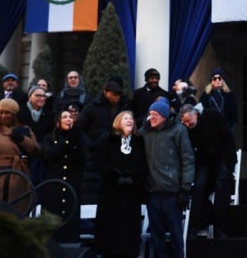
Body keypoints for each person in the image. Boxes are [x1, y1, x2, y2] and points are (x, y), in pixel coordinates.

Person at [139, 97, 194, 258]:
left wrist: (185, 187)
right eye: (150, 114)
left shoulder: (178, 130)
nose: (152, 117)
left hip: (173, 192)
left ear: (164, 116)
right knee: (157, 236)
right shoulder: (145, 132)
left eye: (156, 114)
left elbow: (188, 159)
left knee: (176, 234)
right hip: (152, 192)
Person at [94, 110, 147, 257]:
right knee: (110, 232)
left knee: (128, 232)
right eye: (125, 118)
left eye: (131, 118)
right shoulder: (108, 140)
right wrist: (115, 176)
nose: (129, 120)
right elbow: (101, 162)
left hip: (131, 194)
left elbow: (143, 165)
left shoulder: (139, 142)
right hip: (111, 193)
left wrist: (133, 179)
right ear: (118, 122)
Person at [179, 104, 237, 239]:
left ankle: (220, 227)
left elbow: (228, 139)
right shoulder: (188, 130)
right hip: (205, 163)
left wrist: (225, 163)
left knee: (221, 187)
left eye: (188, 121)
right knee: (199, 186)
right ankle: (196, 225)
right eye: (184, 122)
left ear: (196, 115)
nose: (187, 124)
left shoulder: (212, 115)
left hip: (223, 160)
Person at [75, 78, 127, 205]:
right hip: (94, 156)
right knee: (91, 192)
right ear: (105, 92)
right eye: (114, 94)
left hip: (115, 156)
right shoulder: (92, 107)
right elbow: (78, 129)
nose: (117, 98)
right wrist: (91, 146)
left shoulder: (123, 108)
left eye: (119, 95)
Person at [42, 109, 88, 244]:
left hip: (72, 183)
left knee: (70, 217)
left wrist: (74, 139)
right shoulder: (49, 138)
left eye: (71, 117)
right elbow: (50, 155)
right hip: (54, 184)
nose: (69, 119)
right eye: (65, 117)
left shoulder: (79, 138)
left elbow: (83, 157)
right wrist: (66, 141)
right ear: (58, 122)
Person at [19, 84, 56, 185]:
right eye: (38, 95)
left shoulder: (49, 114)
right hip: (24, 153)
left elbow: (51, 133)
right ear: (29, 97)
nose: (41, 98)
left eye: (43, 96)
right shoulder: (20, 111)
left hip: (42, 153)